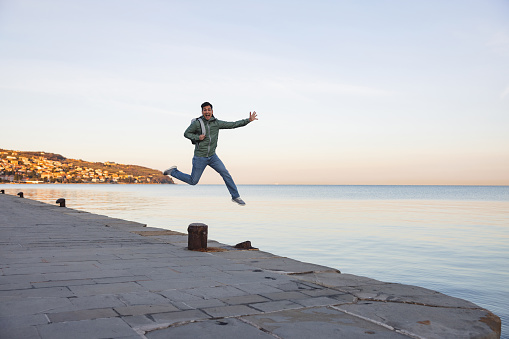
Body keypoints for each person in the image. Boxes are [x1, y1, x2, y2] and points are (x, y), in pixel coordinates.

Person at [164, 102, 258, 205]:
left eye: (209, 110)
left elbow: (233, 124)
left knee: (225, 173)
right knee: (193, 181)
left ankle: (235, 196)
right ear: (202, 112)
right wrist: (197, 137)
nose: (207, 112)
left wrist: (248, 120)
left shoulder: (216, 123)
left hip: (213, 156)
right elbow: (186, 133)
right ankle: (173, 171)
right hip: (200, 157)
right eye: (205, 110)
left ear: (212, 111)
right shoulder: (197, 123)